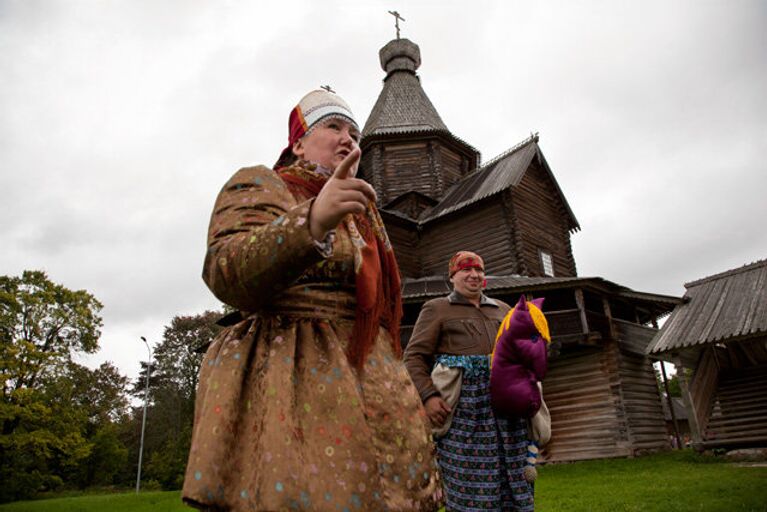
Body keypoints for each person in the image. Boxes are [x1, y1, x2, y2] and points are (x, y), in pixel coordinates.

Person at [182, 89, 441, 511]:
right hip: (295, 370)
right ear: (298, 142)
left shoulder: (364, 212)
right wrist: (312, 221)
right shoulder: (266, 183)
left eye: (355, 134)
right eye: (333, 127)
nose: (349, 140)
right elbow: (224, 269)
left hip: (373, 372)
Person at [404, 251, 535, 511]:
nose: (474, 275)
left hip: (507, 407)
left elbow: (523, 349)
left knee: (515, 478)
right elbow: (414, 357)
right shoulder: (437, 308)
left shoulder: (503, 309)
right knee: (468, 482)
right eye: (466, 270)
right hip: (464, 409)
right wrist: (429, 396)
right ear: (452, 276)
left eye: (479, 270)